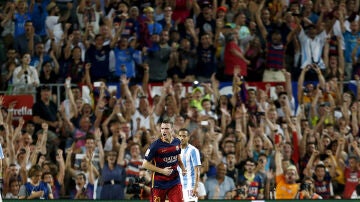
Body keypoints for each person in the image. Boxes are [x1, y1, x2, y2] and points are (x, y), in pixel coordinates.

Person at [142, 119, 187, 202]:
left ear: (172, 130)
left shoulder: (177, 142)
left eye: (166, 128)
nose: (164, 131)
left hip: (174, 181)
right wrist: (162, 171)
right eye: (162, 128)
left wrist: (183, 168)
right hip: (159, 183)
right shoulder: (155, 145)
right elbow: (144, 164)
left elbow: (178, 157)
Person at [177, 128, 202, 202]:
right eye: (180, 136)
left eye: (184, 136)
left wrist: (196, 187)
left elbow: (197, 170)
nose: (182, 138)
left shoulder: (193, 150)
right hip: (179, 186)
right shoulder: (176, 150)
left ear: (188, 137)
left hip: (190, 186)